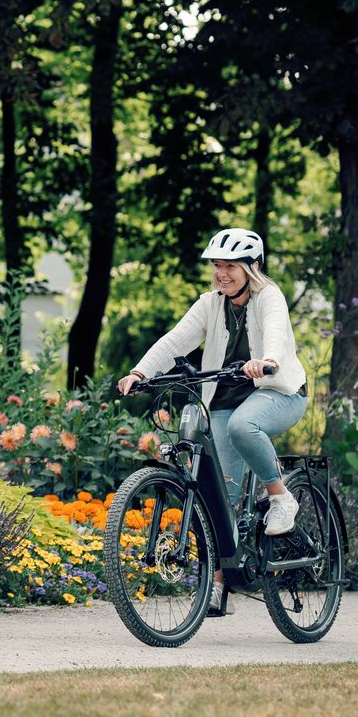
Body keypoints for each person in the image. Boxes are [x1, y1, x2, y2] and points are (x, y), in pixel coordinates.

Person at [118, 227, 308, 615]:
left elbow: (274, 335)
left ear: (252, 267)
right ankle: (218, 585)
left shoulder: (269, 297)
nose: (222, 273)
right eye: (218, 266)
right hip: (223, 401)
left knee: (243, 427)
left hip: (278, 392)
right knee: (216, 495)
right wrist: (140, 373)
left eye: (231, 267)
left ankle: (280, 497)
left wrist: (266, 361)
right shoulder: (210, 304)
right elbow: (175, 341)